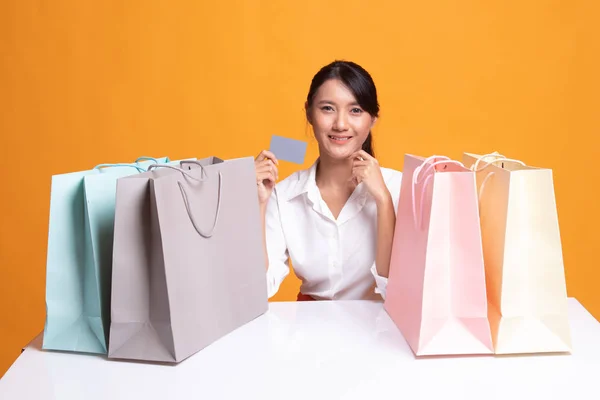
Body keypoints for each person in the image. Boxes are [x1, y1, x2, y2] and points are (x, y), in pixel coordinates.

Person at [254, 60, 402, 301]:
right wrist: (259, 204)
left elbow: (396, 290)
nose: (341, 124)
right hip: (308, 331)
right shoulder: (283, 196)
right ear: (309, 113)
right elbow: (259, 288)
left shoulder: (399, 188)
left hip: (380, 332)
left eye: (355, 110)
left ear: (373, 118)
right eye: (327, 108)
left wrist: (384, 201)